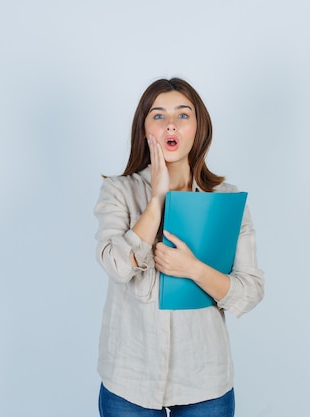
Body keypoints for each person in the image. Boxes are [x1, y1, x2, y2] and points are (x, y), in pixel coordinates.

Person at [94, 78, 264, 417]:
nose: (170, 123)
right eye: (158, 115)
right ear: (144, 130)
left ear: (198, 128)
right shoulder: (118, 192)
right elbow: (116, 265)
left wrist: (192, 269)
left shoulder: (227, 200)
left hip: (205, 383)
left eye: (182, 115)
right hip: (129, 382)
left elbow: (250, 292)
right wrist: (156, 200)